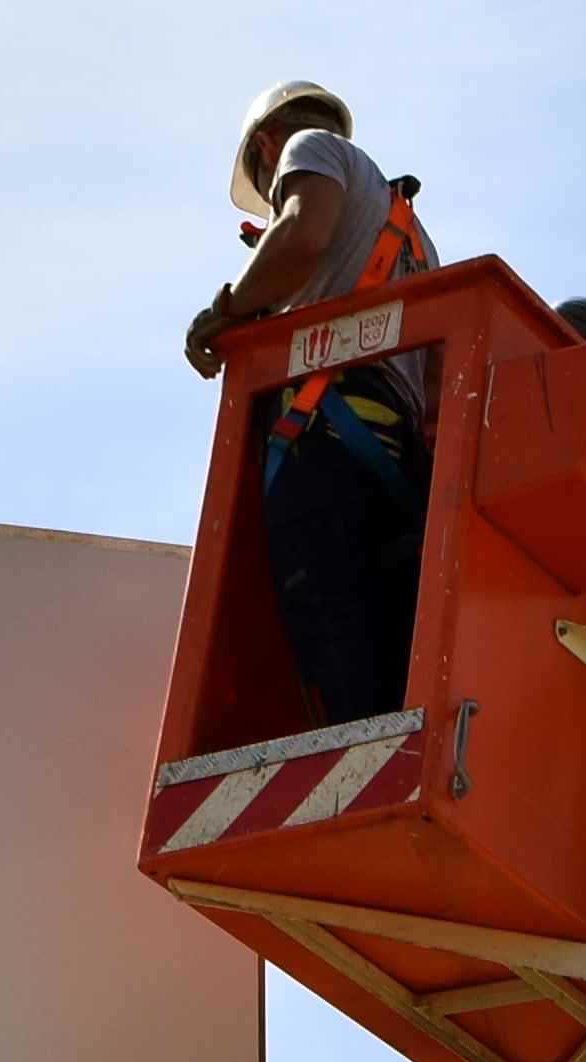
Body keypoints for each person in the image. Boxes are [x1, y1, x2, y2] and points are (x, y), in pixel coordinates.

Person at [179, 78, 438, 726]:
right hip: (390, 452)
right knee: (371, 632)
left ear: (270, 148)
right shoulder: (414, 237)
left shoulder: (309, 146)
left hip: (325, 428)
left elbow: (299, 234)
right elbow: (435, 379)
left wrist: (224, 312)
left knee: (325, 618)